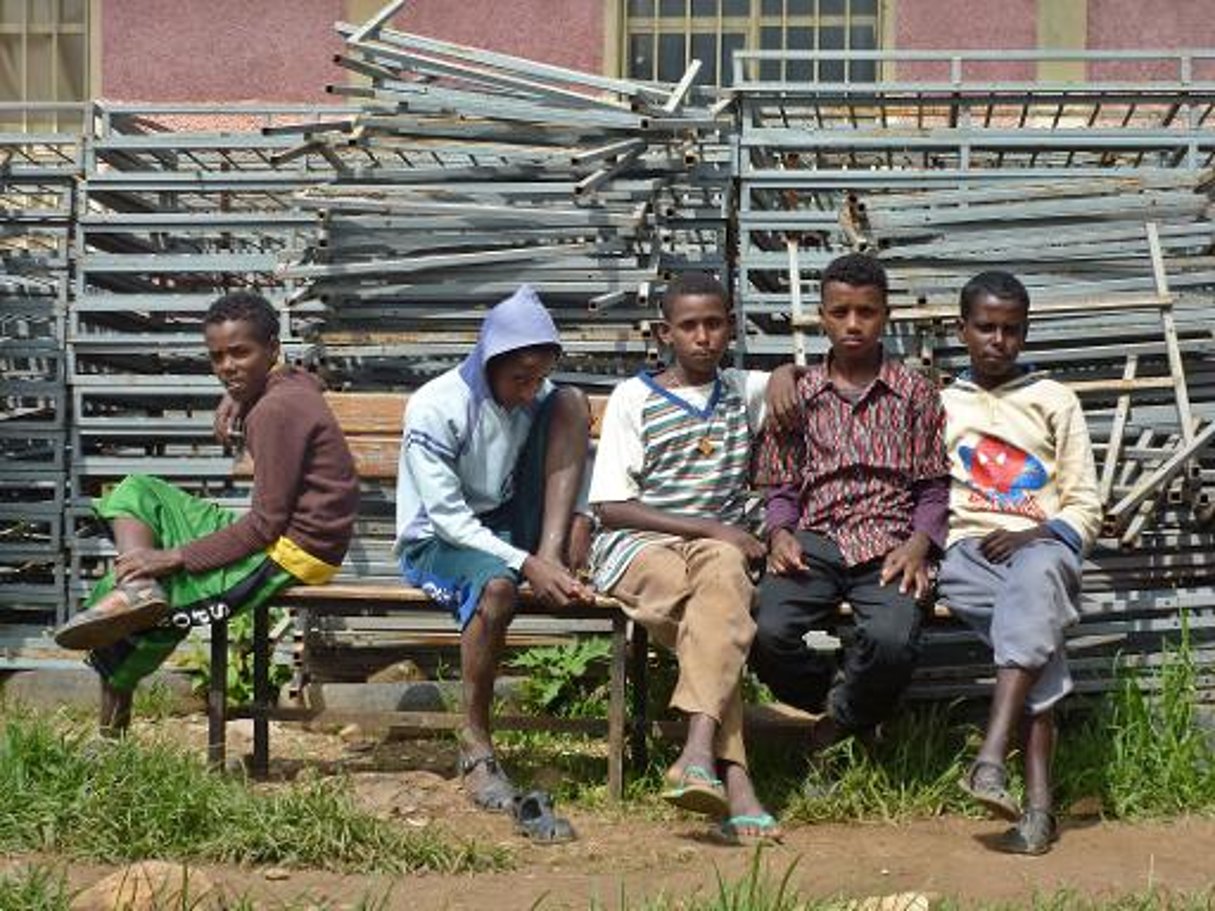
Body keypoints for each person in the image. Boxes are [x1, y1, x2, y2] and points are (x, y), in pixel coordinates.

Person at [54, 291, 359, 738]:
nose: (227, 367)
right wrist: (241, 394)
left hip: (293, 552)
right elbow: (303, 379)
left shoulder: (274, 409)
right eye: (217, 357)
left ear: (272, 348)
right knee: (138, 491)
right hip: (282, 535)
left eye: (241, 353)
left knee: (158, 592)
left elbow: (264, 525)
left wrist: (173, 556)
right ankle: (136, 588)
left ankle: (111, 735)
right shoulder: (286, 386)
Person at [588, 272, 792, 845]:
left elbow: (796, 379)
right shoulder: (635, 398)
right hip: (640, 547)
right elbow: (610, 507)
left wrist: (783, 374)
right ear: (664, 333)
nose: (703, 337)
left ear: (731, 326)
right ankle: (736, 778)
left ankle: (697, 753)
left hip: (715, 553)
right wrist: (709, 525)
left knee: (722, 581)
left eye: (715, 324)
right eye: (689, 326)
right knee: (718, 620)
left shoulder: (739, 390)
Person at [394, 285, 590, 840]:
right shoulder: (436, 406)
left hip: (506, 524)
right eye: (520, 378)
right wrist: (525, 565)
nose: (531, 391)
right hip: (438, 539)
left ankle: (551, 555)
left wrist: (576, 524)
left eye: (538, 376)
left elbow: (569, 453)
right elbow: (451, 522)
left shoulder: (538, 397)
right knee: (498, 589)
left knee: (573, 401)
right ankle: (476, 744)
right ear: (488, 363)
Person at [750, 252, 950, 751]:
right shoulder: (798, 394)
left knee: (891, 640)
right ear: (822, 317)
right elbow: (781, 485)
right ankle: (852, 698)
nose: (853, 324)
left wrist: (920, 545)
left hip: (889, 543)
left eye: (866, 312)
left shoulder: (915, 393)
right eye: (840, 313)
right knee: (765, 633)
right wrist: (778, 535)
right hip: (815, 540)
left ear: (886, 316)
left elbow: (933, 486)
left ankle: (836, 724)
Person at [940, 270, 1102, 855]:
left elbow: (1086, 505)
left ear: (1026, 333)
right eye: (985, 327)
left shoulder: (1055, 399)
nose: (997, 341)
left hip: (1044, 549)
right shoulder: (942, 405)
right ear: (962, 330)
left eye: (1011, 330)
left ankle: (991, 757)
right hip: (968, 558)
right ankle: (1037, 811)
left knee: (1034, 583)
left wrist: (1034, 533)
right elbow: (931, 496)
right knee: (1036, 637)